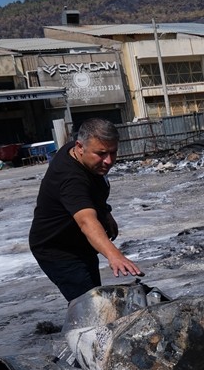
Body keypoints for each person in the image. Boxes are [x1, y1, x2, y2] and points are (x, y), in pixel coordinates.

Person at [28, 118, 142, 302]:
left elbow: (93, 193)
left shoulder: (83, 156)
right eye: (102, 154)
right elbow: (86, 221)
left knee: (94, 292)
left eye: (113, 153)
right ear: (80, 147)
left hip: (80, 243)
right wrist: (114, 255)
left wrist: (105, 212)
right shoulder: (70, 179)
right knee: (89, 303)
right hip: (56, 249)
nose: (109, 161)